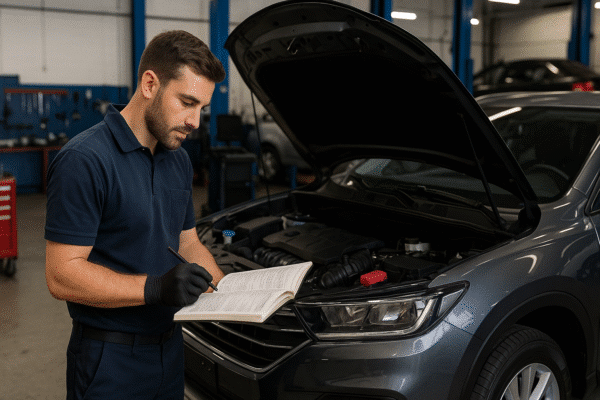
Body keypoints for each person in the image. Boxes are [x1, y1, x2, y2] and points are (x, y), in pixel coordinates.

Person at [44, 30, 226, 399]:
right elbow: (61, 275)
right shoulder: (85, 160)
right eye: (187, 102)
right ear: (149, 84)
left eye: (201, 109)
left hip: (171, 348)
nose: (195, 121)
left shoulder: (178, 160)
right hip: (109, 358)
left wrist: (229, 295)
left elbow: (186, 241)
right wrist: (156, 287)